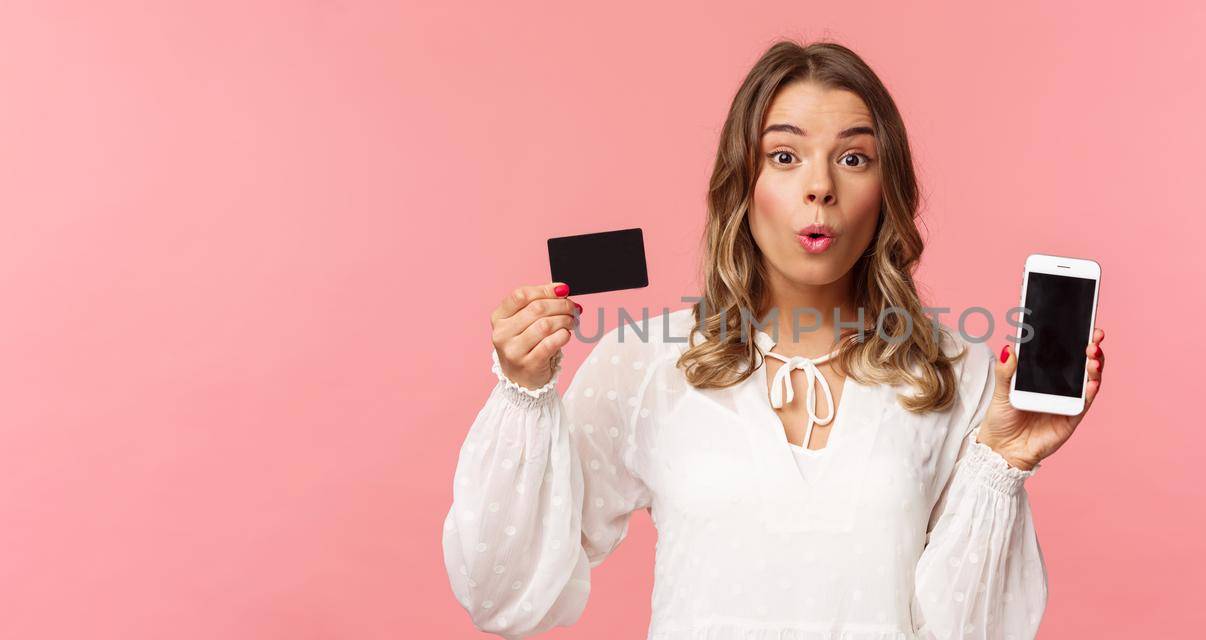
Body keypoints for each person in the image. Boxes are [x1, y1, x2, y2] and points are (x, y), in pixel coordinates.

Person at [442, 39, 1107, 639]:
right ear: (743, 182)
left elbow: (969, 634)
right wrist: (524, 393)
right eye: (784, 157)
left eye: (852, 157)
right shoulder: (647, 359)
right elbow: (505, 597)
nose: (819, 188)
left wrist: (1005, 459)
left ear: (887, 188)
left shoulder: (952, 373)